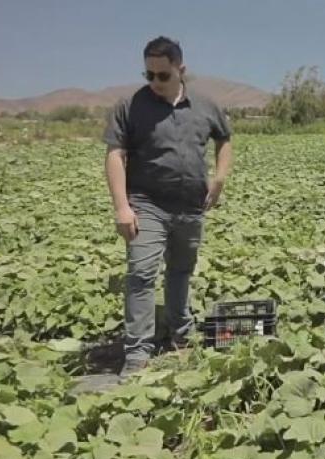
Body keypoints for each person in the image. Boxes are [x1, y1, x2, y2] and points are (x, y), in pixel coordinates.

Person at [103, 36, 233, 376]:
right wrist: (121, 207)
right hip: (147, 203)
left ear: (181, 70)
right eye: (149, 75)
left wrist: (219, 178)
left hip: (191, 205)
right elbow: (115, 154)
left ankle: (181, 334)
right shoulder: (131, 106)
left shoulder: (205, 105)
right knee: (142, 274)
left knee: (180, 271)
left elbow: (225, 139)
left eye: (163, 75)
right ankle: (137, 353)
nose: (155, 83)